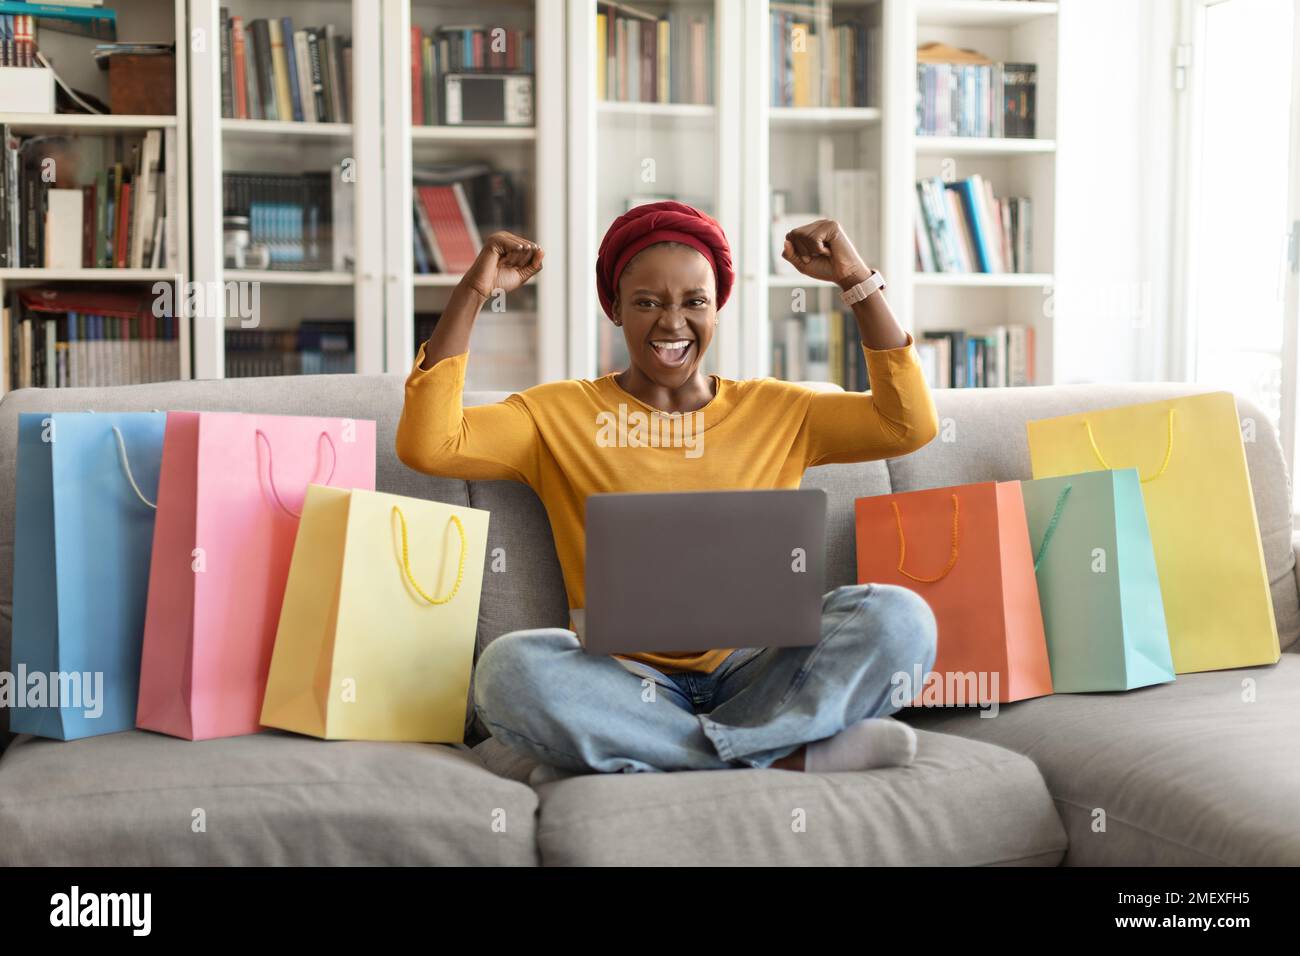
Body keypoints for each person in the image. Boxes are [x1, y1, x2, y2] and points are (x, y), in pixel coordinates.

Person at [396, 200, 939, 777]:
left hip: (761, 672)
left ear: (717, 306)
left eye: (694, 302)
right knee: (509, 669)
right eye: (647, 303)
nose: (672, 324)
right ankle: (781, 752)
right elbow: (431, 444)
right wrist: (473, 293)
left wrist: (857, 280)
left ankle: (645, 751)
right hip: (624, 682)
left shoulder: (783, 409)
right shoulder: (555, 413)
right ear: (615, 308)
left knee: (900, 617)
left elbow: (907, 425)